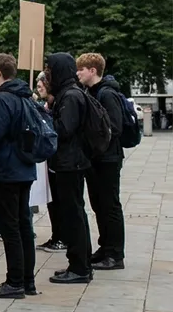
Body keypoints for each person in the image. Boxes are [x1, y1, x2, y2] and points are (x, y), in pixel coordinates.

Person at [0, 54, 39, 299]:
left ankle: (14, 281)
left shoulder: (2, 98)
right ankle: (27, 280)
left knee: (10, 226)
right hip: (24, 166)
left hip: (6, 168)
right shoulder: (24, 95)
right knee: (24, 223)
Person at [44, 53, 95, 284]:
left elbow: (64, 129)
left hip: (70, 163)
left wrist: (45, 118)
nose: (48, 74)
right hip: (69, 161)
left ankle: (79, 267)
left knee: (73, 215)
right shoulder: (68, 93)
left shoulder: (71, 96)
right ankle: (79, 263)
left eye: (51, 69)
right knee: (73, 213)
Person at [76, 53, 127, 271]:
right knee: (99, 205)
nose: (78, 73)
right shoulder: (91, 92)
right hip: (96, 158)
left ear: (93, 70)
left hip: (108, 158)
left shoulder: (107, 93)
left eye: (81, 69)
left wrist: (92, 138)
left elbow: (115, 126)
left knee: (110, 205)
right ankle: (105, 247)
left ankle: (115, 254)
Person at [34, 73, 66, 254]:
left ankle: (62, 237)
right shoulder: (49, 105)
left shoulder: (60, 103)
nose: (39, 88)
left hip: (62, 161)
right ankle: (57, 235)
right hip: (53, 160)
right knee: (53, 201)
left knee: (60, 201)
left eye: (41, 85)